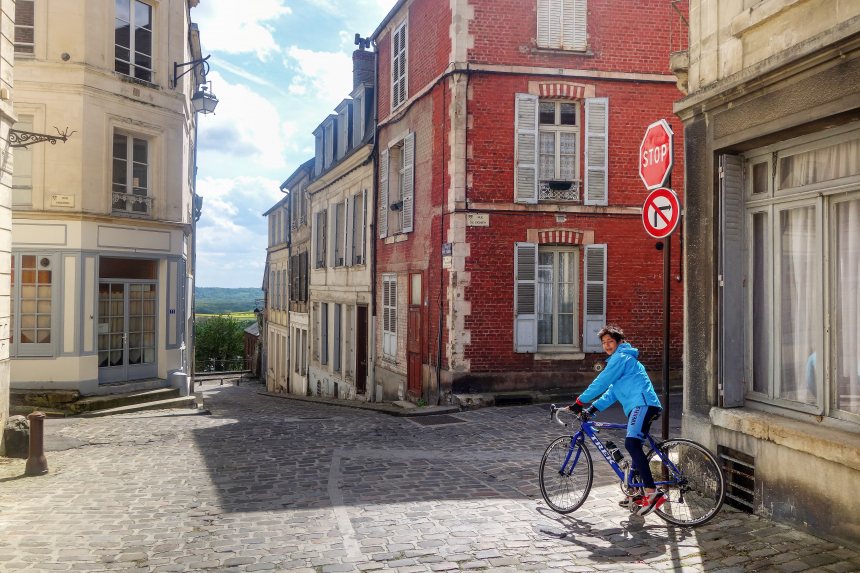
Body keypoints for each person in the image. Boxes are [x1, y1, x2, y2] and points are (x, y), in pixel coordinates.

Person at [568, 325, 665, 516]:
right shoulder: (620, 360)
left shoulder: (621, 357)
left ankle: (652, 492)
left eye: (610, 341)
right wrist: (591, 409)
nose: (607, 345)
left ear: (619, 342)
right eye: (604, 343)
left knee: (631, 443)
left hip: (642, 405)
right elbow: (611, 392)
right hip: (640, 406)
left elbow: (602, 381)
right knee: (635, 446)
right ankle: (637, 494)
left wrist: (579, 401)